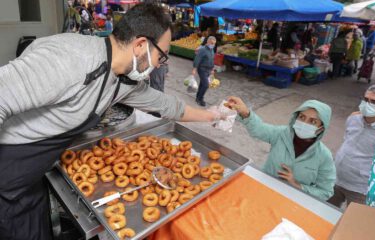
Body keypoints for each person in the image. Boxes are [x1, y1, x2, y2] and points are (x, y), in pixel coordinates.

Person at [0, 4, 224, 239]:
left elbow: (167, 106)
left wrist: (212, 114)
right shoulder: (70, 59)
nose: (160, 65)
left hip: (32, 177)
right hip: (8, 169)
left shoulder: (120, 79)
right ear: (140, 45)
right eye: (161, 56)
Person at [226, 97, 336, 201]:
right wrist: (246, 113)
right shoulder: (281, 134)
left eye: (313, 121)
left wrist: (297, 185)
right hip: (264, 190)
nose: (304, 123)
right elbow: (259, 129)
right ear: (296, 118)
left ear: (321, 128)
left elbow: (325, 191)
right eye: (302, 117)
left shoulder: (323, 156)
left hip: (294, 202)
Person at [328, 84, 375, 207]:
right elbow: (347, 141)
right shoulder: (354, 118)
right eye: (366, 99)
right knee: (325, 213)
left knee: (352, 223)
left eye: (374, 102)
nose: (367, 104)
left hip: (360, 189)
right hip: (335, 178)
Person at [192, 36, 216, 107]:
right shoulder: (203, 49)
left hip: (208, 70)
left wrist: (212, 69)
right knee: (206, 84)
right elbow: (197, 59)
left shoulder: (212, 50)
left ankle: (197, 97)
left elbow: (212, 59)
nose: (213, 45)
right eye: (211, 43)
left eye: (214, 43)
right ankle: (200, 99)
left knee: (202, 84)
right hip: (202, 69)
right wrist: (194, 68)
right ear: (208, 42)